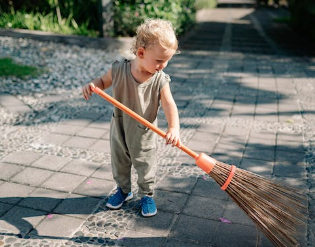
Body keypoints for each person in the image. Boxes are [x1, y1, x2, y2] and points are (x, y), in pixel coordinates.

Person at [82, 19, 181, 217]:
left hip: (144, 132)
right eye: (160, 60)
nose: (163, 65)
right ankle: (123, 190)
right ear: (141, 53)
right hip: (119, 127)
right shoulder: (119, 70)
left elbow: (170, 104)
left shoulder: (159, 79)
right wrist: (92, 85)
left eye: (167, 60)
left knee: (145, 164)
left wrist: (174, 128)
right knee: (119, 161)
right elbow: (102, 81)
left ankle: (146, 194)